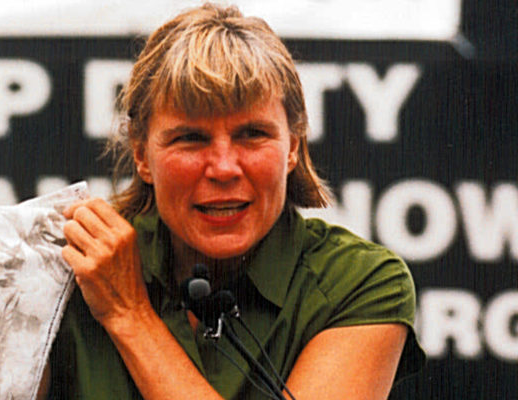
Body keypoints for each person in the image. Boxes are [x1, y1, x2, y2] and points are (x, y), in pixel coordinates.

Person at [44, 3, 424, 399]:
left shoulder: (360, 281)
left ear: (293, 147)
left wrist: (129, 314)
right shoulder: (70, 272)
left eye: (252, 134)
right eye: (190, 138)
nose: (224, 168)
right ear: (141, 156)